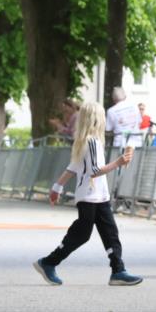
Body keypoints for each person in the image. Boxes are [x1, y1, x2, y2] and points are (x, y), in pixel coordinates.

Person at [33, 101, 143, 286]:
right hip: (90, 196)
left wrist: (56, 187)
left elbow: (73, 167)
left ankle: (118, 270)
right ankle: (48, 262)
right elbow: (94, 170)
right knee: (82, 234)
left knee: (110, 233)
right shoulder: (91, 142)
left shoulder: (86, 141)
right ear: (96, 119)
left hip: (99, 195)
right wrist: (119, 162)